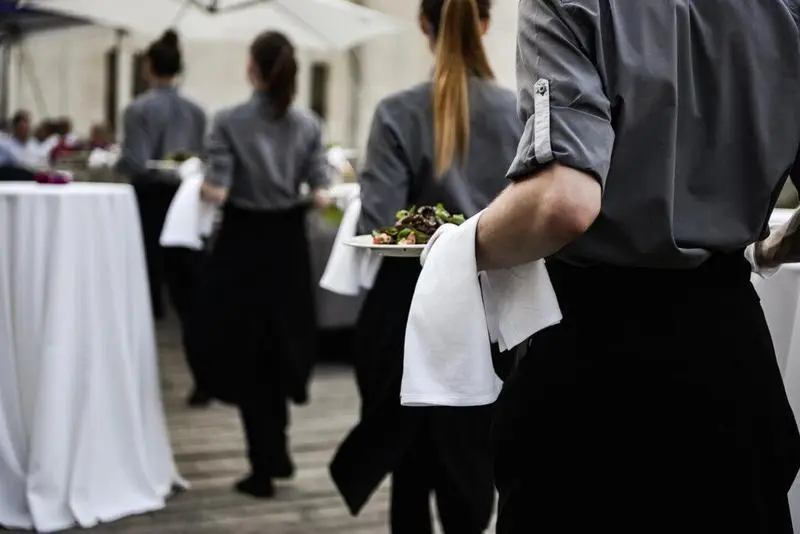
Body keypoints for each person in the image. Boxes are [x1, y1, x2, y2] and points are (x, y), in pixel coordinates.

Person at [458, 1, 800, 532]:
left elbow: (564, 202)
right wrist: (769, 248)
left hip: (592, 368)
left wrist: (458, 246)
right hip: (729, 354)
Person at [329, 1, 522, 532]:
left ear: (423, 24)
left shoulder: (395, 112)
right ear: (484, 23)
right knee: (472, 468)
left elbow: (378, 223)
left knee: (407, 469)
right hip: (489, 310)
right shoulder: (518, 112)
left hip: (405, 310)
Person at [188, 30, 330, 499]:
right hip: (288, 244)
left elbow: (218, 190)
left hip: (243, 244)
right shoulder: (308, 123)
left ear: (252, 68)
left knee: (247, 354)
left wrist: (197, 181)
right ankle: (278, 450)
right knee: (280, 348)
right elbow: (322, 190)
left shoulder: (227, 120)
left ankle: (263, 466)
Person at [115, 29, 209, 407]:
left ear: (149, 66)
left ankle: (139, 379)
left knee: (144, 292)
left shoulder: (138, 109)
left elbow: (137, 163)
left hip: (152, 205)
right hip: (187, 207)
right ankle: (203, 376)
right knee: (188, 300)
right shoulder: (197, 112)